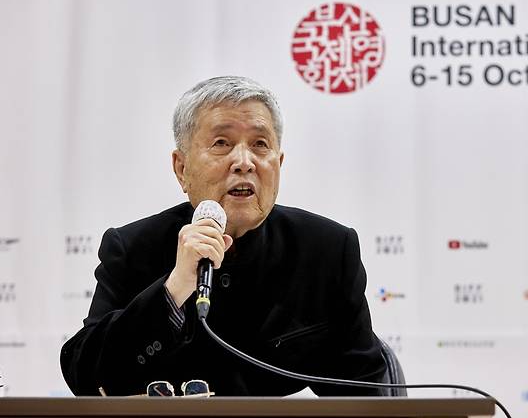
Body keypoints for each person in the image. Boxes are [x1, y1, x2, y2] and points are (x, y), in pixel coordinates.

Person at [60, 76, 387, 396]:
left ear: (279, 164)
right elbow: (84, 376)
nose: (244, 162)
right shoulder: (133, 248)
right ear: (181, 168)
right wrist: (173, 290)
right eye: (222, 144)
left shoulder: (327, 250)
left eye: (260, 145)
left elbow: (366, 393)